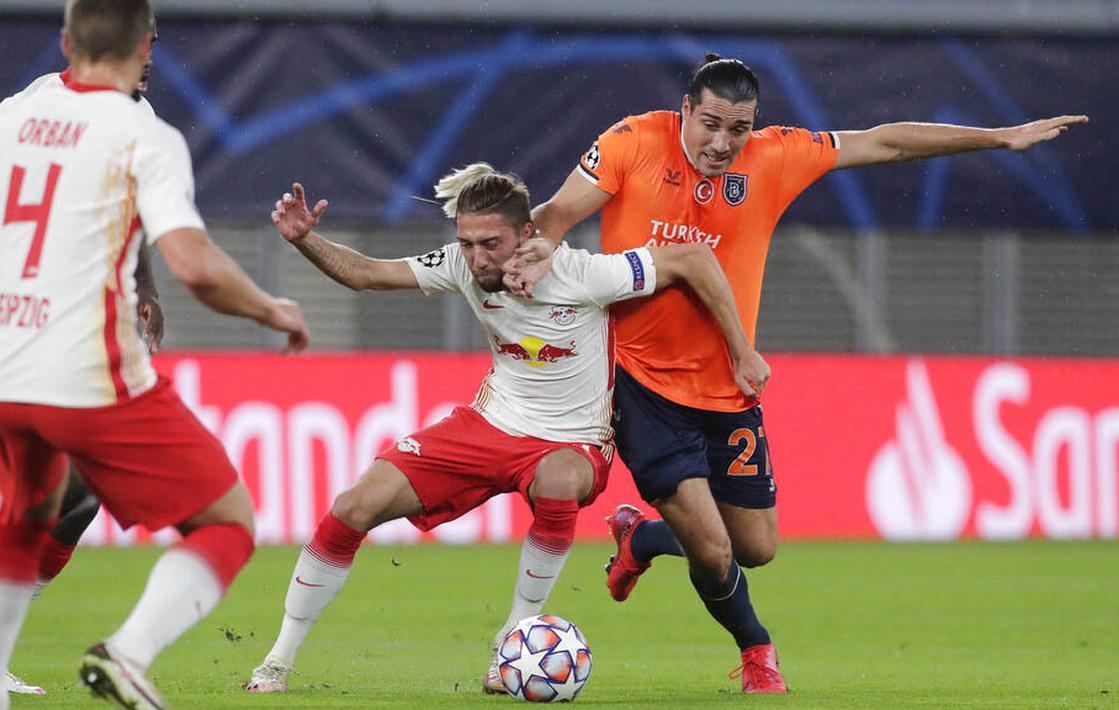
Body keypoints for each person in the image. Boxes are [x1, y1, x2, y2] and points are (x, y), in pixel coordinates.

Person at [506, 52, 1088, 693]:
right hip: (642, 383)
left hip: (730, 390)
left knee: (755, 548)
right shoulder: (630, 140)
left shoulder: (777, 155)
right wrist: (537, 252)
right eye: (711, 125)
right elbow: (560, 213)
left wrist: (999, 137)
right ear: (685, 112)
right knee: (714, 550)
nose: (724, 143)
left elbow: (885, 142)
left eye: (740, 128)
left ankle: (641, 539)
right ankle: (758, 653)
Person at [0, 1, 310, 708]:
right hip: (76, 351)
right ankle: (127, 655)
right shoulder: (144, 133)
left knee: (49, 505)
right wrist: (270, 307)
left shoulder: (14, 119)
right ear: (148, 48)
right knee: (226, 520)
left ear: (65, 41)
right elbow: (200, 267)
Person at [244, 163, 769, 696]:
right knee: (353, 505)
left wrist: (740, 351)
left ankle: (509, 644)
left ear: (526, 234)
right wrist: (306, 240)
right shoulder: (461, 265)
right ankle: (277, 661)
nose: (476, 258)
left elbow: (692, 258)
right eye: (466, 243)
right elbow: (365, 273)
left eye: (490, 243)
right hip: (489, 425)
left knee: (560, 480)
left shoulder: (583, 273)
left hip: (573, 440)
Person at [0, 20, 166, 696]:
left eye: (148, 43)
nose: (145, 58)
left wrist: (146, 288)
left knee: (82, 497)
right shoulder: (27, 112)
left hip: (64, 306)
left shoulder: (138, 119)